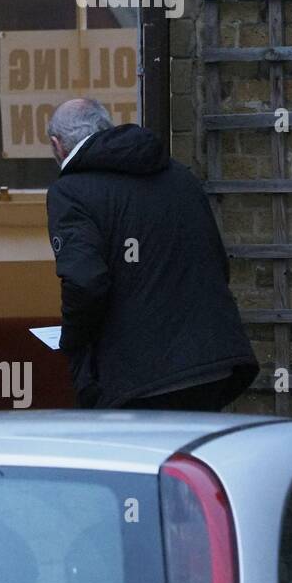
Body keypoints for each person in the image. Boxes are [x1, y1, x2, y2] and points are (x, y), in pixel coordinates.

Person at [45, 99, 258, 410]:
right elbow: (216, 259)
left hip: (140, 376)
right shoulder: (178, 175)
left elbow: (85, 282)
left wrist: (73, 344)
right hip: (213, 363)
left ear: (57, 145)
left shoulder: (71, 191)